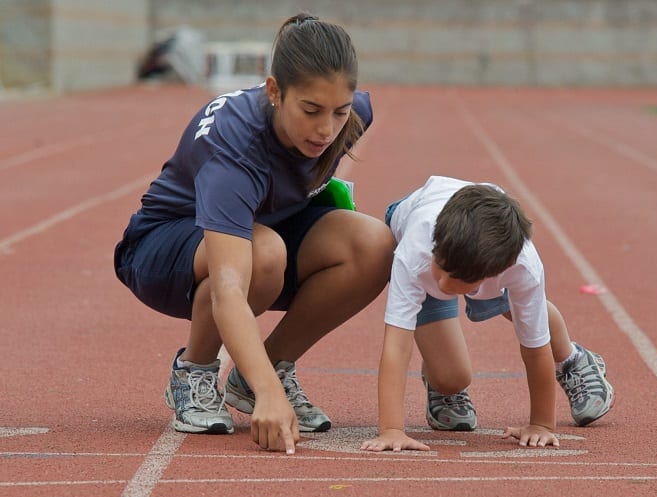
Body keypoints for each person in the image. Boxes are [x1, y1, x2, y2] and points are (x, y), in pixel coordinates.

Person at [114, 13, 394, 455]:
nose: (326, 129)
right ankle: (196, 373)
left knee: (374, 244)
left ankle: (263, 371)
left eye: (339, 111)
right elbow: (228, 287)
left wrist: (264, 382)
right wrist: (272, 399)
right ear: (274, 92)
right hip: (161, 249)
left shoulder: (355, 114)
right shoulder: (233, 149)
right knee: (262, 253)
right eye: (311, 111)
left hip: (266, 233)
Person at [360, 176, 614, 452]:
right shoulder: (416, 251)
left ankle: (572, 359)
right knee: (451, 379)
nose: (443, 285)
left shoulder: (521, 268)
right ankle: (437, 372)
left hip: (484, 250)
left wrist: (541, 424)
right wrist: (392, 430)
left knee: (528, 312)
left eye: (456, 280)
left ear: (493, 276)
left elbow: (535, 347)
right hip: (428, 227)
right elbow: (397, 343)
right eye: (441, 267)